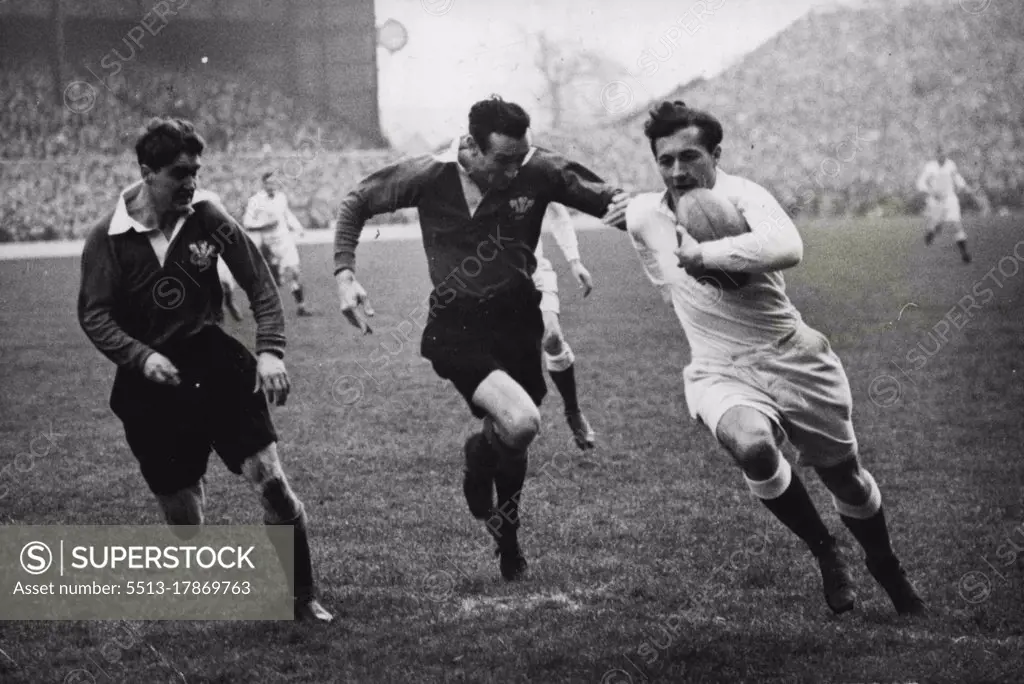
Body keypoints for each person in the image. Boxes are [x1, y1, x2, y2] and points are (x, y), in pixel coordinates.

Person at [623, 100, 926, 616]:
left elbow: (788, 246)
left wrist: (708, 256)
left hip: (792, 356)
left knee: (845, 477)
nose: (677, 171)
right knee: (753, 445)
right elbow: (660, 275)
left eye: (690, 156)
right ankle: (825, 551)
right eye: (665, 159)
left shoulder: (745, 195)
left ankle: (884, 562)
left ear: (716, 154)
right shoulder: (642, 216)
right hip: (719, 367)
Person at [333, 96, 628, 581]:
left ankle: (503, 526)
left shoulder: (540, 169)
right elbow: (358, 200)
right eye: (504, 160)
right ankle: (495, 501)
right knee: (522, 422)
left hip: (518, 320)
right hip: (456, 327)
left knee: (514, 436)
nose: (516, 170)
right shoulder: (429, 176)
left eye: (522, 157)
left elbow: (611, 201)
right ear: (471, 146)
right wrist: (345, 273)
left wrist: (651, 218)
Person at [77, 118, 333, 623]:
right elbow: (94, 314)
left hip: (214, 364)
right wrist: (140, 356)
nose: (191, 182)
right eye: (179, 173)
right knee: (186, 524)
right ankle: (190, 474)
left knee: (272, 482)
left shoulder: (208, 216)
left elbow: (259, 282)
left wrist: (271, 350)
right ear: (147, 173)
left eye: (196, 170)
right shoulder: (107, 238)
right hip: (149, 381)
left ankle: (302, 596)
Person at [533, 202, 596, 450]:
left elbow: (557, 210)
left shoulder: (532, 166)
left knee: (552, 338)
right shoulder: (464, 168)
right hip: (488, 276)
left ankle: (572, 410)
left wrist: (574, 260)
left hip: (533, 270)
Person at [243, 171, 314, 315]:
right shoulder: (255, 200)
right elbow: (247, 223)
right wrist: (265, 225)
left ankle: (301, 306)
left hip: (285, 240)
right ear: (263, 184)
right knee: (269, 281)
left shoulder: (281, 197)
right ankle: (264, 306)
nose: (272, 185)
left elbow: (286, 214)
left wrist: (298, 228)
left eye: (274, 182)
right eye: (269, 182)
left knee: (295, 271)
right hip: (268, 244)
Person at [915, 146, 975, 263]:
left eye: (944, 154)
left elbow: (957, 178)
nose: (942, 156)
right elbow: (920, 182)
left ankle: (964, 254)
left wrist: (963, 186)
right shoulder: (930, 167)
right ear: (936, 155)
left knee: (956, 224)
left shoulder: (950, 165)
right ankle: (931, 231)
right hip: (936, 200)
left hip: (950, 198)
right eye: (939, 154)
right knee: (936, 222)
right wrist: (930, 191)